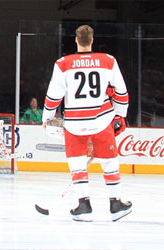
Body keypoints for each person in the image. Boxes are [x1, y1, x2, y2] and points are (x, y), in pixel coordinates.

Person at [42, 25, 131, 222]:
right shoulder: (108, 61)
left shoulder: (63, 63)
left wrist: (46, 117)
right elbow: (122, 93)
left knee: (77, 162)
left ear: (76, 40)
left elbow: (54, 96)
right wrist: (120, 115)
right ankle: (115, 203)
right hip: (102, 119)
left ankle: (83, 205)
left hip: (75, 122)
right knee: (110, 161)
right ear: (92, 40)